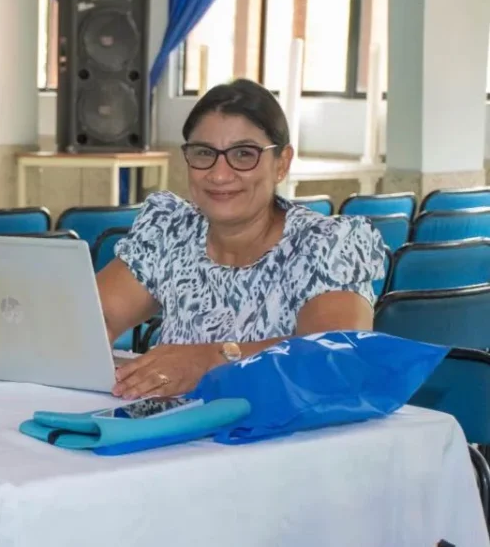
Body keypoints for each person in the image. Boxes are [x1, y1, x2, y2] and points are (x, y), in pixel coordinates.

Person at [98, 78, 385, 400]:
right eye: (204, 153)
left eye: (244, 154)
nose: (219, 174)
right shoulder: (172, 231)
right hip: (176, 426)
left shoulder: (323, 245)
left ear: (282, 163)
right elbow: (95, 320)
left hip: (280, 428)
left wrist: (209, 360)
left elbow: (335, 356)